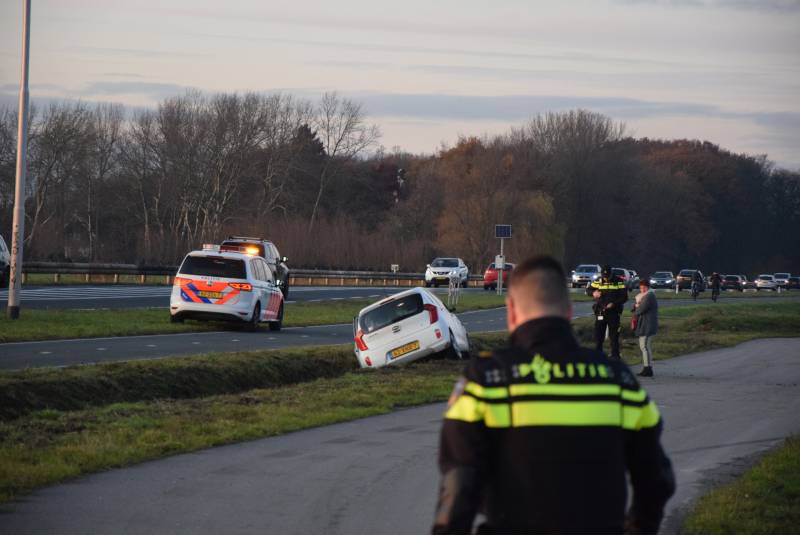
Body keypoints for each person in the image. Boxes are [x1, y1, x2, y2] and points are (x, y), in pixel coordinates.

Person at [432, 256, 675, 535]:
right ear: (568, 312)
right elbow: (657, 480)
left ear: (511, 311)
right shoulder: (618, 381)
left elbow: (459, 485)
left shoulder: (485, 381)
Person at [586, 264, 628, 359]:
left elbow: (624, 297)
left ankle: (615, 355)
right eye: (604, 277)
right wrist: (593, 293)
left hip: (613, 312)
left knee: (614, 336)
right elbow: (588, 290)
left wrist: (614, 303)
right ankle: (598, 355)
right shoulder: (598, 281)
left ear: (611, 274)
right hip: (601, 311)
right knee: (599, 335)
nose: (605, 279)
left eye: (607, 277)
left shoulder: (619, 282)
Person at [632, 279, 658, 377]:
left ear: (648, 287)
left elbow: (640, 310)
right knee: (645, 346)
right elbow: (636, 308)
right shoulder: (645, 296)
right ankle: (647, 367)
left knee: (644, 346)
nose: (642, 289)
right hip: (645, 324)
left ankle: (647, 368)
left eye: (644, 287)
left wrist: (637, 306)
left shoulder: (648, 296)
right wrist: (636, 306)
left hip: (647, 324)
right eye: (641, 287)